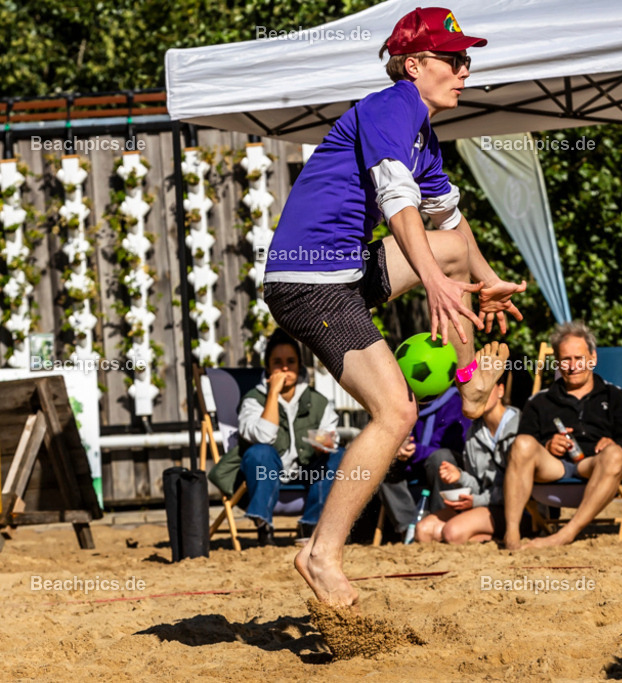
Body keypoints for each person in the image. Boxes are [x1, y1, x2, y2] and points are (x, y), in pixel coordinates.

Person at [261, 7, 524, 608]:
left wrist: (486, 280)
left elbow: (448, 221)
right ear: (414, 65)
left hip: (345, 273)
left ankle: (472, 389)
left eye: (466, 58)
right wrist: (431, 280)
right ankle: (321, 554)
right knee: (397, 413)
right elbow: (396, 197)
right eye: (453, 59)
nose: (465, 68)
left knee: (455, 247)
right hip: (310, 284)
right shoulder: (391, 106)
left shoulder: (422, 131)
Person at [502, 320, 622, 549]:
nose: (572, 366)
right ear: (557, 362)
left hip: (593, 464)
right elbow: (523, 444)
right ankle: (511, 535)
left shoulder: (614, 396)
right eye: (566, 359)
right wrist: (546, 445)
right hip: (553, 466)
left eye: (579, 358)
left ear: (592, 359)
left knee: (617, 454)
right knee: (523, 443)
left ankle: (566, 533)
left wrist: (612, 443)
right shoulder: (540, 401)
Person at [207, 329, 340, 546]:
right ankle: (264, 524)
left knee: (341, 455)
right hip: (261, 482)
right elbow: (264, 436)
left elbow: (330, 439)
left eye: (291, 361)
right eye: (278, 362)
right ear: (268, 367)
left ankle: (311, 523)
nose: (285, 368)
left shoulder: (318, 402)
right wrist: (272, 394)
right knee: (260, 451)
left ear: (299, 366)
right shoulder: (252, 401)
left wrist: (323, 445)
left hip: (307, 478)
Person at [415, 374, 528, 544]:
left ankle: (494, 541)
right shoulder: (474, 432)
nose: (476, 396)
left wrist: (476, 501)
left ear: (500, 390)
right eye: (470, 391)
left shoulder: (521, 427)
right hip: (483, 506)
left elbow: (521, 489)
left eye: (483, 389)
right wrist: (460, 477)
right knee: (424, 530)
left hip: (517, 510)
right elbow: (478, 484)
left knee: (452, 532)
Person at [378, 386, 471, 538]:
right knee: (382, 463)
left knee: (440, 459)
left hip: (442, 465)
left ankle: (439, 522)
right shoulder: (402, 401)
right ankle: (408, 529)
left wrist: (415, 450)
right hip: (411, 462)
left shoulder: (454, 402)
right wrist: (398, 448)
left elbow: (449, 449)